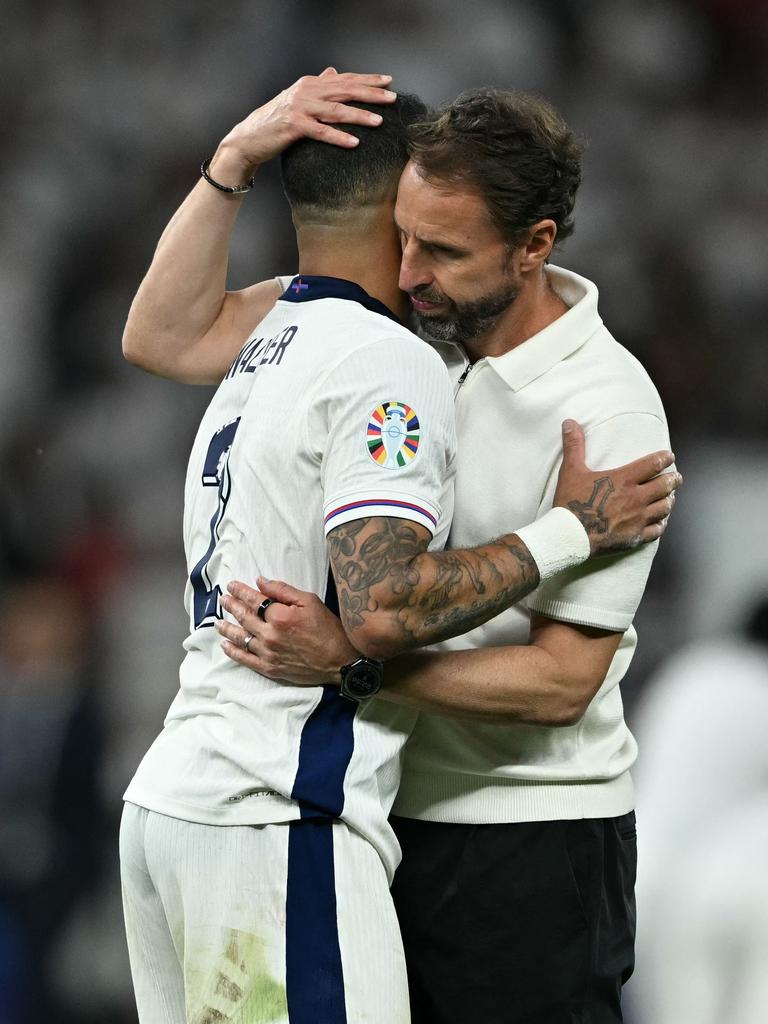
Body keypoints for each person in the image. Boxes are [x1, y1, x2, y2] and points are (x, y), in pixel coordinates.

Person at [119, 72, 677, 1024]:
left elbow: (558, 686)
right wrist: (232, 159)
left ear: (533, 246)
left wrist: (354, 671)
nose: (410, 268)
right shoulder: (398, 336)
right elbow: (162, 335)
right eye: (405, 235)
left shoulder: (605, 407)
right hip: (364, 811)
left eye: (443, 249)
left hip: (526, 842)